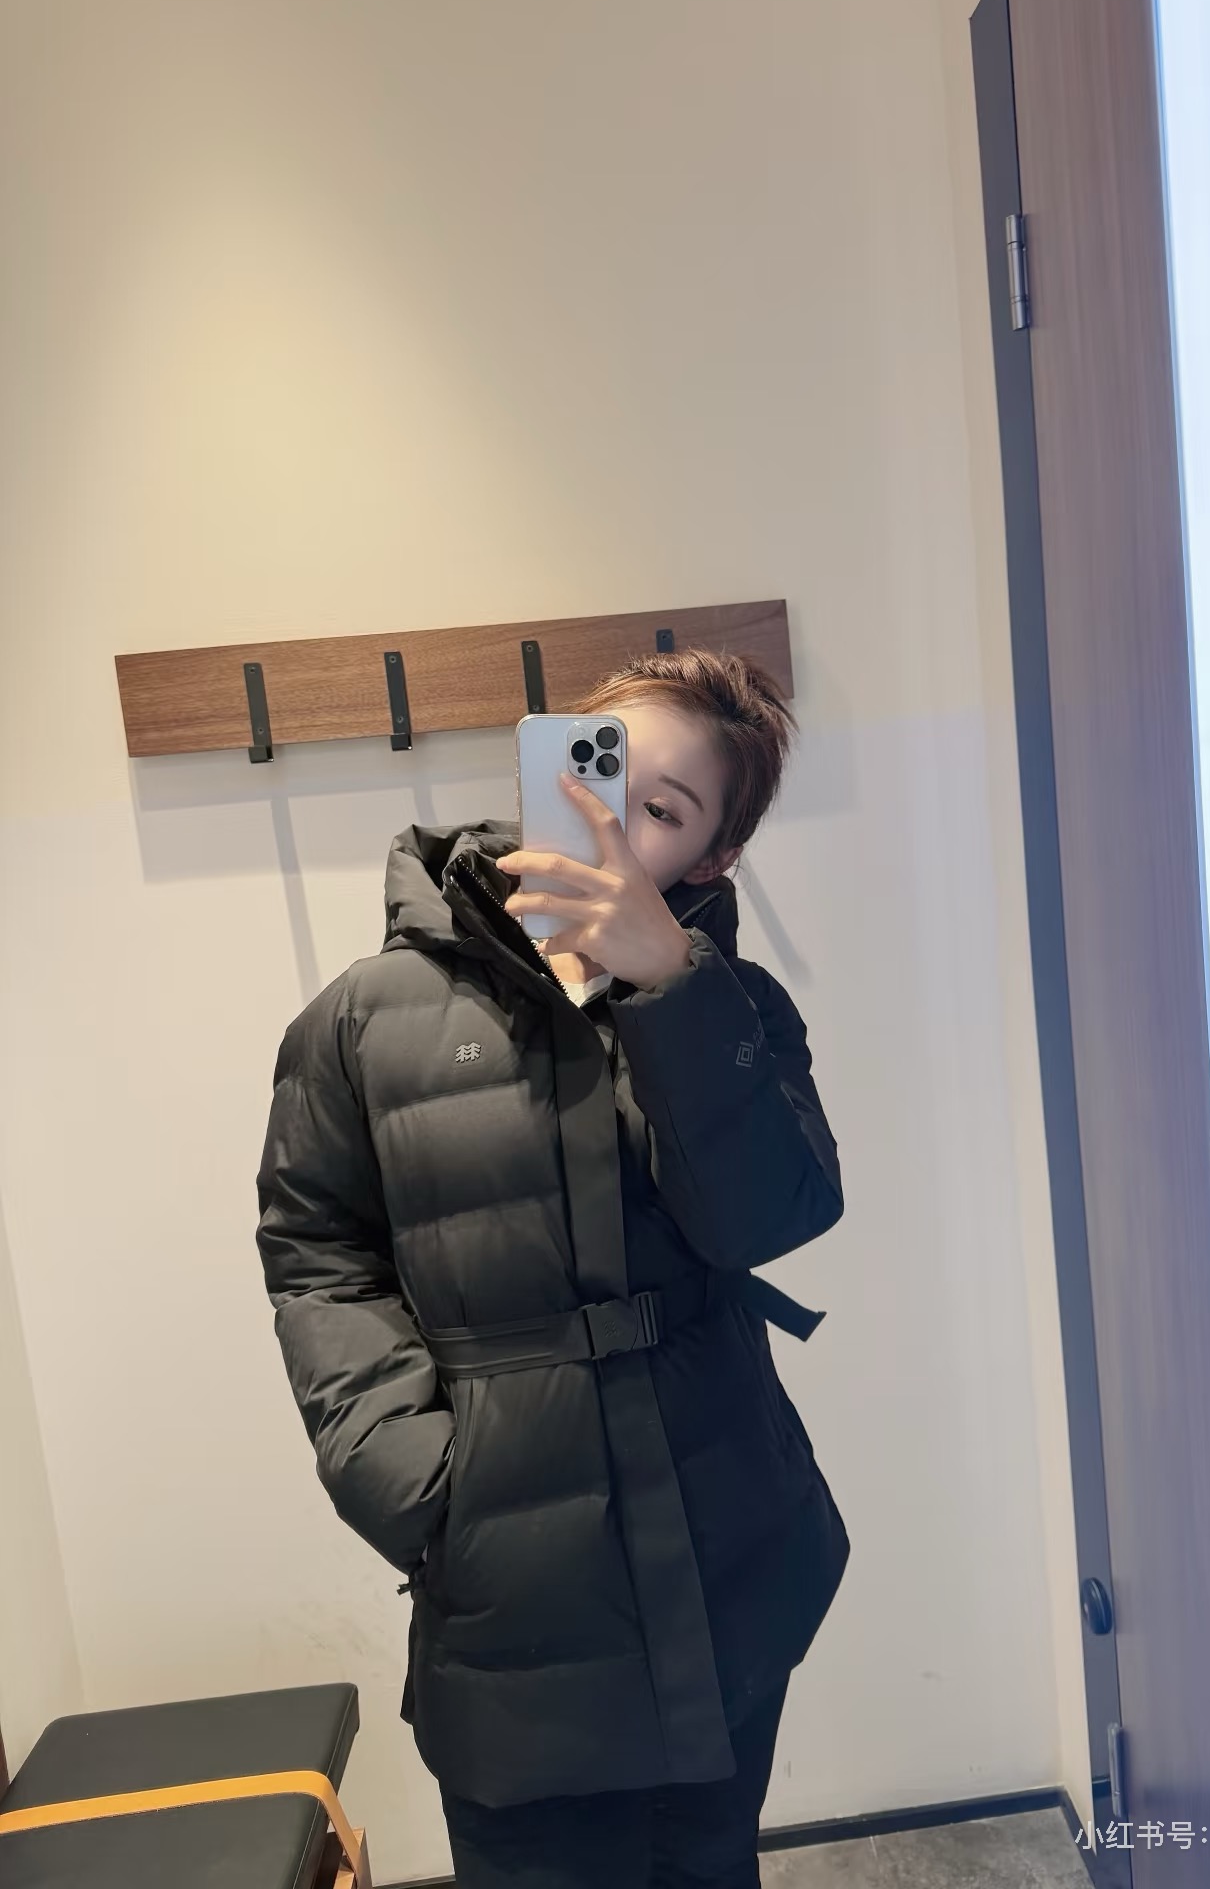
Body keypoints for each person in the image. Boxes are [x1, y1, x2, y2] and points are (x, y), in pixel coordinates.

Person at [255, 648, 849, 1887]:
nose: (613, 825)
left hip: (728, 1552)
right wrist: (414, 1482)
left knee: (709, 1865)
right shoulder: (363, 1019)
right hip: (510, 1587)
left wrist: (672, 987)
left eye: (664, 812)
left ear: (715, 859)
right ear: (547, 759)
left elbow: (774, 1215)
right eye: (601, 770)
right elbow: (317, 1252)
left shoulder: (735, 1008)